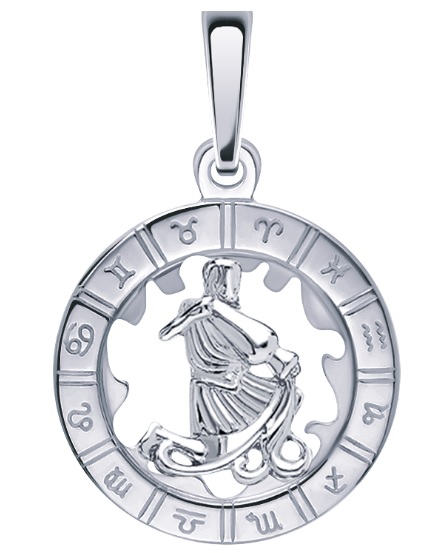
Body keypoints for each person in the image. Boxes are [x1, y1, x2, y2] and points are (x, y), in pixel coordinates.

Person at [159, 258, 301, 458]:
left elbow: (260, 346)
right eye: (227, 283)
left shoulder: (226, 313)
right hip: (210, 388)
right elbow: (165, 334)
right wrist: (193, 316)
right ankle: (159, 436)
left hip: (239, 382)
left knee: (292, 398)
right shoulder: (195, 308)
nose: (232, 289)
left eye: (235, 283)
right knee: (212, 453)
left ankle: (270, 449)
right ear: (214, 282)